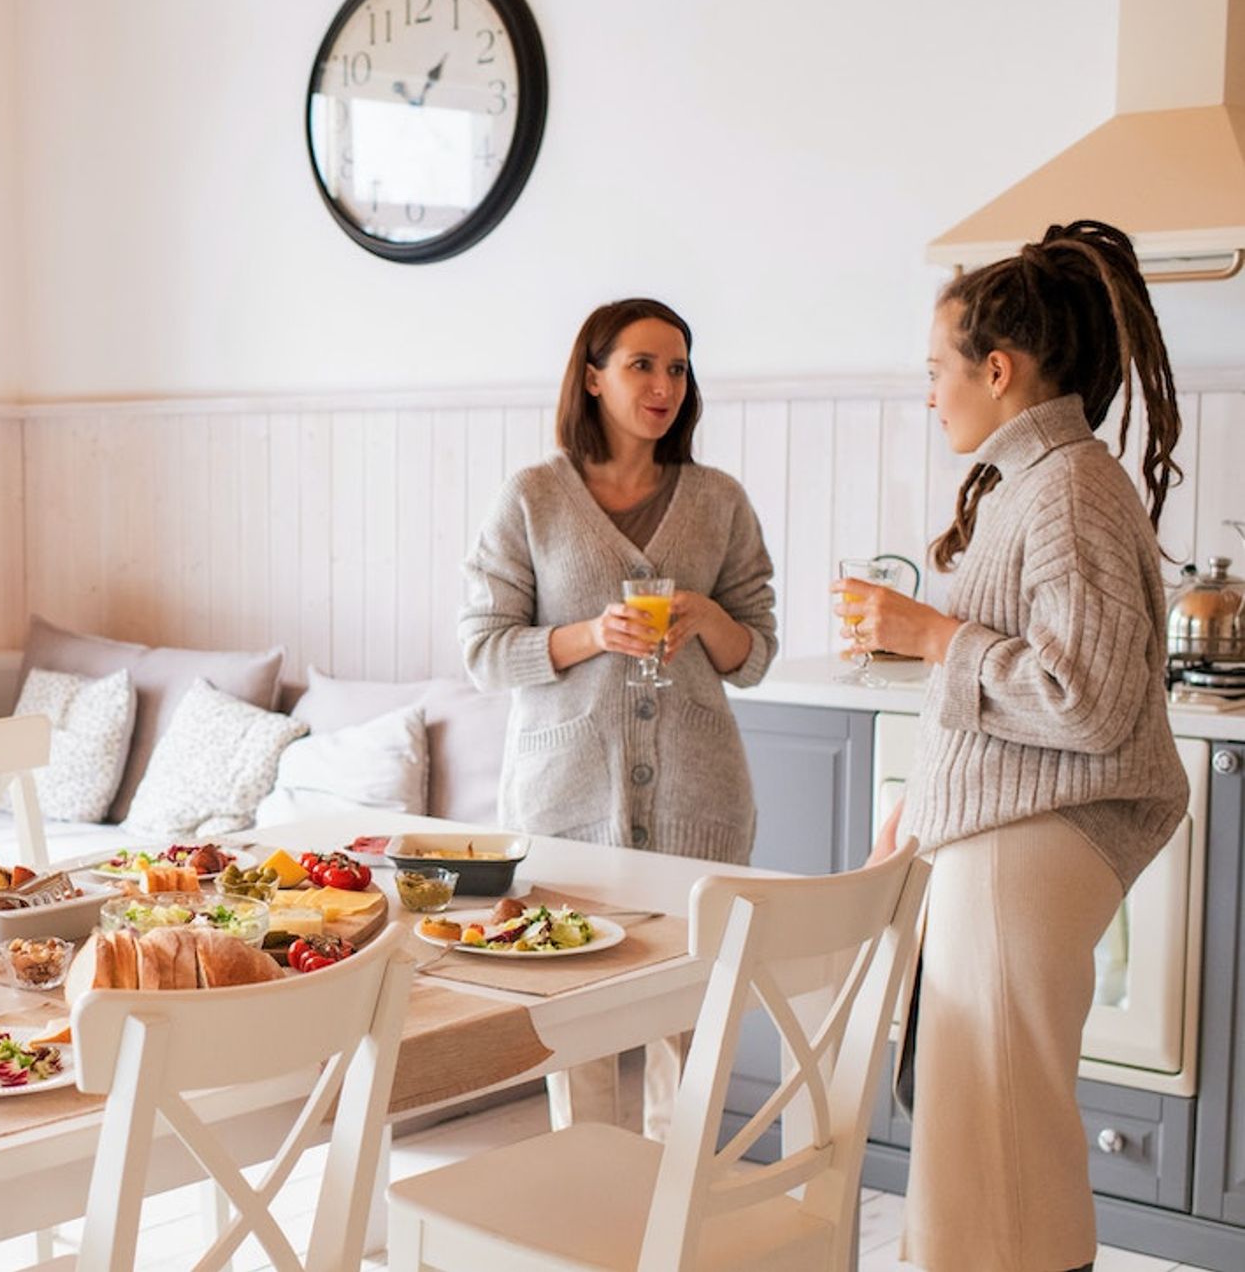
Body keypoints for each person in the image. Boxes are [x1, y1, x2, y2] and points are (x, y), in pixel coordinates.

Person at [837, 220, 1188, 1270]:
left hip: (1028, 846)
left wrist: (937, 636)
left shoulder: (1067, 485)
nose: (932, 392)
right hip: (1001, 838)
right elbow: (1030, 680)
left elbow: (1084, 701)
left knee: (998, 1139)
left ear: (998, 368)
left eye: (937, 369)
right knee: (983, 1141)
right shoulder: (1038, 484)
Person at [459, 296, 777, 1137]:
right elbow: (484, 651)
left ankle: (678, 1226)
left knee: (688, 1017)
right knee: (578, 1020)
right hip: (565, 802)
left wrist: (710, 621)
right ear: (592, 377)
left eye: (677, 368)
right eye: (642, 364)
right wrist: (587, 636)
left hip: (696, 804)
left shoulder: (718, 501)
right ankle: (589, 1215)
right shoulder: (532, 497)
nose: (663, 384)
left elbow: (758, 651)